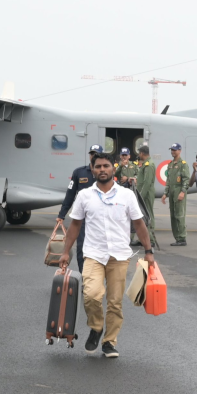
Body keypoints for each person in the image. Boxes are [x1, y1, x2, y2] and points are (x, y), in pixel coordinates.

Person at [57, 151, 157, 359]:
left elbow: (139, 224)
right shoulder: (84, 195)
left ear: (113, 169)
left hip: (119, 256)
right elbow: (75, 224)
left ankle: (110, 342)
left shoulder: (126, 195)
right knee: (91, 295)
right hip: (93, 254)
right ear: (92, 170)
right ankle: (96, 327)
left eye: (106, 166)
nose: (102, 170)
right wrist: (65, 252)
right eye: (98, 167)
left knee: (114, 302)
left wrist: (149, 251)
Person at [57, 144, 103, 264]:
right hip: (83, 219)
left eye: (97, 154)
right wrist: (61, 214)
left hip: (101, 217)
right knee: (82, 249)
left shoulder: (105, 173)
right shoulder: (79, 172)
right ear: (89, 155)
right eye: (92, 154)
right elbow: (70, 194)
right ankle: (85, 278)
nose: (94, 156)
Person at [161, 143, 191, 246]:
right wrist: (165, 193)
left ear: (179, 151)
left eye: (174, 150)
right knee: (173, 215)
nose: (172, 152)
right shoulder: (170, 164)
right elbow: (168, 180)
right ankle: (177, 238)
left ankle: (182, 238)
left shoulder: (183, 164)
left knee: (179, 215)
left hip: (179, 191)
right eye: (172, 150)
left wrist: (183, 192)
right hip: (172, 192)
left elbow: (186, 179)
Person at [134, 144, 159, 248]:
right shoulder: (146, 164)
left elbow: (147, 182)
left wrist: (141, 196)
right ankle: (143, 239)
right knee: (143, 216)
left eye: (139, 153)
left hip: (146, 194)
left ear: (142, 153)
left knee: (148, 215)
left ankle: (151, 240)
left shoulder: (149, 164)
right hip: (143, 193)